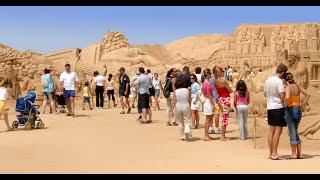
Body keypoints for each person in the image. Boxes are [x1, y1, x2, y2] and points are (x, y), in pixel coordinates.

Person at [284, 72, 310, 159]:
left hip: (290, 110)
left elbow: (287, 97)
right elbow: (308, 95)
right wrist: (302, 106)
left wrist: (286, 105)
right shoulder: (297, 86)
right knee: (294, 130)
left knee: (292, 131)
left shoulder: (288, 87)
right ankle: (299, 153)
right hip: (297, 109)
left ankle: (294, 154)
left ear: (285, 80)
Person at [264, 63, 287, 160]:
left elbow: (265, 94)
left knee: (271, 131)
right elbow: (282, 96)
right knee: (278, 131)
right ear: (282, 73)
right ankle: (274, 153)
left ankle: (270, 153)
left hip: (270, 107)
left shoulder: (268, 80)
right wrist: (285, 104)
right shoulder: (279, 81)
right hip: (278, 107)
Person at [215, 67, 233, 141]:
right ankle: (223, 136)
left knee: (222, 117)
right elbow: (230, 90)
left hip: (220, 99)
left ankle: (223, 135)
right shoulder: (223, 81)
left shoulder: (215, 81)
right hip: (225, 100)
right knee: (225, 118)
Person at [173, 73, 192, 141]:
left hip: (178, 105)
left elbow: (174, 100)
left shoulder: (176, 91)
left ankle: (182, 136)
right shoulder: (187, 90)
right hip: (185, 105)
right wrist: (189, 106)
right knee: (187, 120)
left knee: (180, 122)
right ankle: (187, 131)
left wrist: (173, 108)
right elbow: (189, 99)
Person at [202, 68, 215, 141]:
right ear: (208, 75)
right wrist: (213, 104)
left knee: (208, 119)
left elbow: (204, 94)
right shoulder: (208, 84)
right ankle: (206, 135)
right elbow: (209, 95)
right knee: (208, 119)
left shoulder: (203, 83)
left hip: (206, 101)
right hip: (209, 102)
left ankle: (207, 135)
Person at [209, 66, 222, 134]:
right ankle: (216, 128)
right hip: (216, 98)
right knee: (216, 113)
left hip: (211, 98)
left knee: (211, 113)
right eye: (218, 71)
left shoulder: (210, 79)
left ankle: (211, 128)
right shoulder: (217, 80)